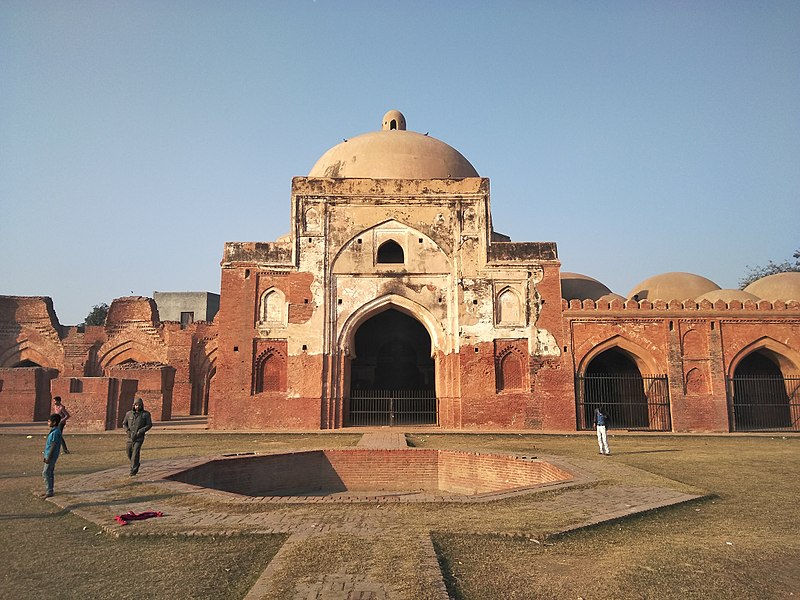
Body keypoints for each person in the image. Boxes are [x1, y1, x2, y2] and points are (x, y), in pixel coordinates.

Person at [122, 398, 153, 476]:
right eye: (136, 405)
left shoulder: (145, 414)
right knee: (129, 452)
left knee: (135, 453)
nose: (137, 407)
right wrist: (127, 430)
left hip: (139, 437)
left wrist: (141, 431)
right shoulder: (129, 414)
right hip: (130, 437)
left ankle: (133, 470)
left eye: (139, 405)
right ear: (133, 405)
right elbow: (124, 423)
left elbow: (149, 425)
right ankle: (135, 463)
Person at [40, 413, 63, 498]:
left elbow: (53, 445)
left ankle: (49, 491)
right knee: (50, 472)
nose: (48, 423)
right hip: (49, 455)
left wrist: (48, 457)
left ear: (54, 422)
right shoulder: (54, 431)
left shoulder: (55, 432)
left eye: (49, 421)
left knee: (46, 473)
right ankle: (49, 490)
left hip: (51, 456)